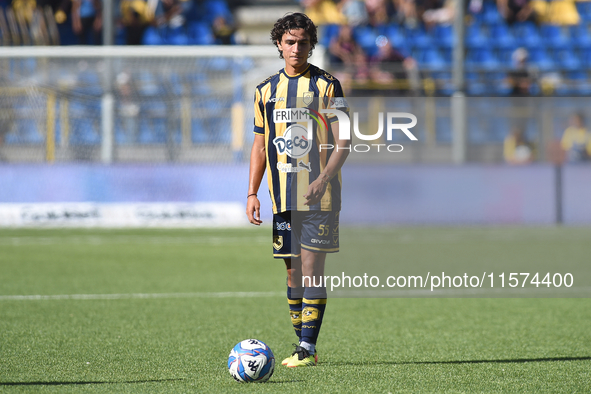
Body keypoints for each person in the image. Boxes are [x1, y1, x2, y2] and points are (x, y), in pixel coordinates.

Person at [246, 12, 350, 368]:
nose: (296, 48)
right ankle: (302, 343)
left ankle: (307, 348)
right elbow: (259, 147)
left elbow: (345, 141)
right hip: (282, 199)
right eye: (289, 42)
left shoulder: (328, 86)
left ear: (311, 45)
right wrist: (252, 193)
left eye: (302, 42)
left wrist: (322, 179)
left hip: (320, 197)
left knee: (311, 270)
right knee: (292, 272)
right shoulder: (264, 91)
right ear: (279, 44)